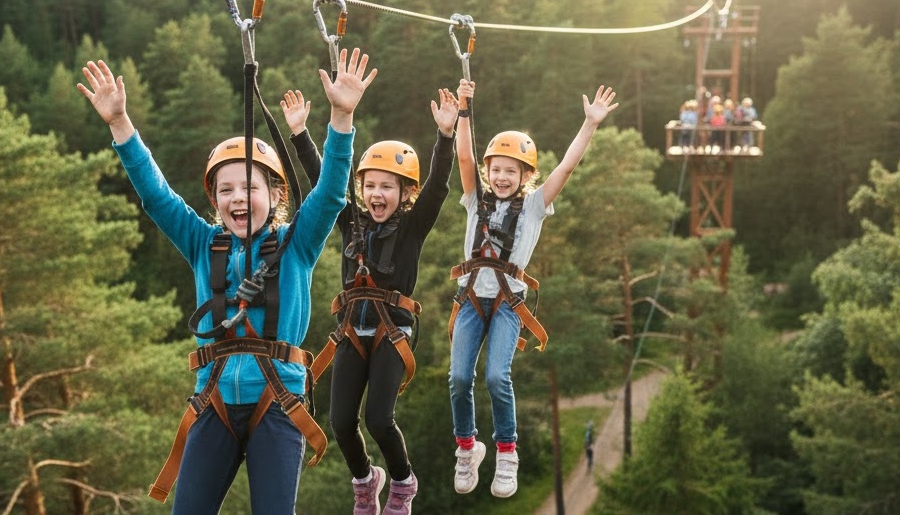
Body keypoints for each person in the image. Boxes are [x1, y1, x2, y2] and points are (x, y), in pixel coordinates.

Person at [76, 48, 377, 515]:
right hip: (212, 399)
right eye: (225, 190)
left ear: (275, 196)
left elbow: (333, 191)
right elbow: (156, 195)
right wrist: (120, 126)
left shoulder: (297, 241)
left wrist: (341, 116)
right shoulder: (202, 242)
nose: (237, 198)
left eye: (249, 188)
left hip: (278, 404)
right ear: (214, 200)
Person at [278, 86, 458, 515]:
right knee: (341, 423)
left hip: (391, 332)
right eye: (371, 186)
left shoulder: (413, 227)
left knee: (378, 419)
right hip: (350, 331)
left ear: (404, 193)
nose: (378, 194)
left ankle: (401, 482)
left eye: (388, 187)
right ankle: (365, 481)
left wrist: (446, 137)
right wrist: (301, 133)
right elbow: (327, 181)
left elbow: (437, 187)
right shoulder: (350, 220)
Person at [448, 79, 618, 498]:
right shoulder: (475, 200)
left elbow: (566, 167)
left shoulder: (536, 207)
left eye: (511, 171)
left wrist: (590, 124)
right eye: (497, 170)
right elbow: (465, 155)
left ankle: (507, 451)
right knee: (457, 377)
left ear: (526, 176)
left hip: (507, 303)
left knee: (495, 377)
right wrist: (465, 110)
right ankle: (467, 447)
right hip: (470, 299)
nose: (501, 177)